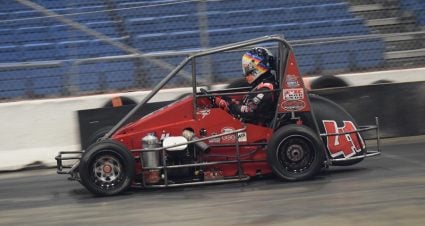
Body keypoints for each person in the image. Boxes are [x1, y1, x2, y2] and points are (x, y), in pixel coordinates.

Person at [215, 47, 279, 125]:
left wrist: (230, 105)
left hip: (254, 129)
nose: (245, 72)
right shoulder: (260, 84)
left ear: (256, 67)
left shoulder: (266, 89)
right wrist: (229, 101)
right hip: (244, 122)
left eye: (247, 68)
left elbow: (250, 111)